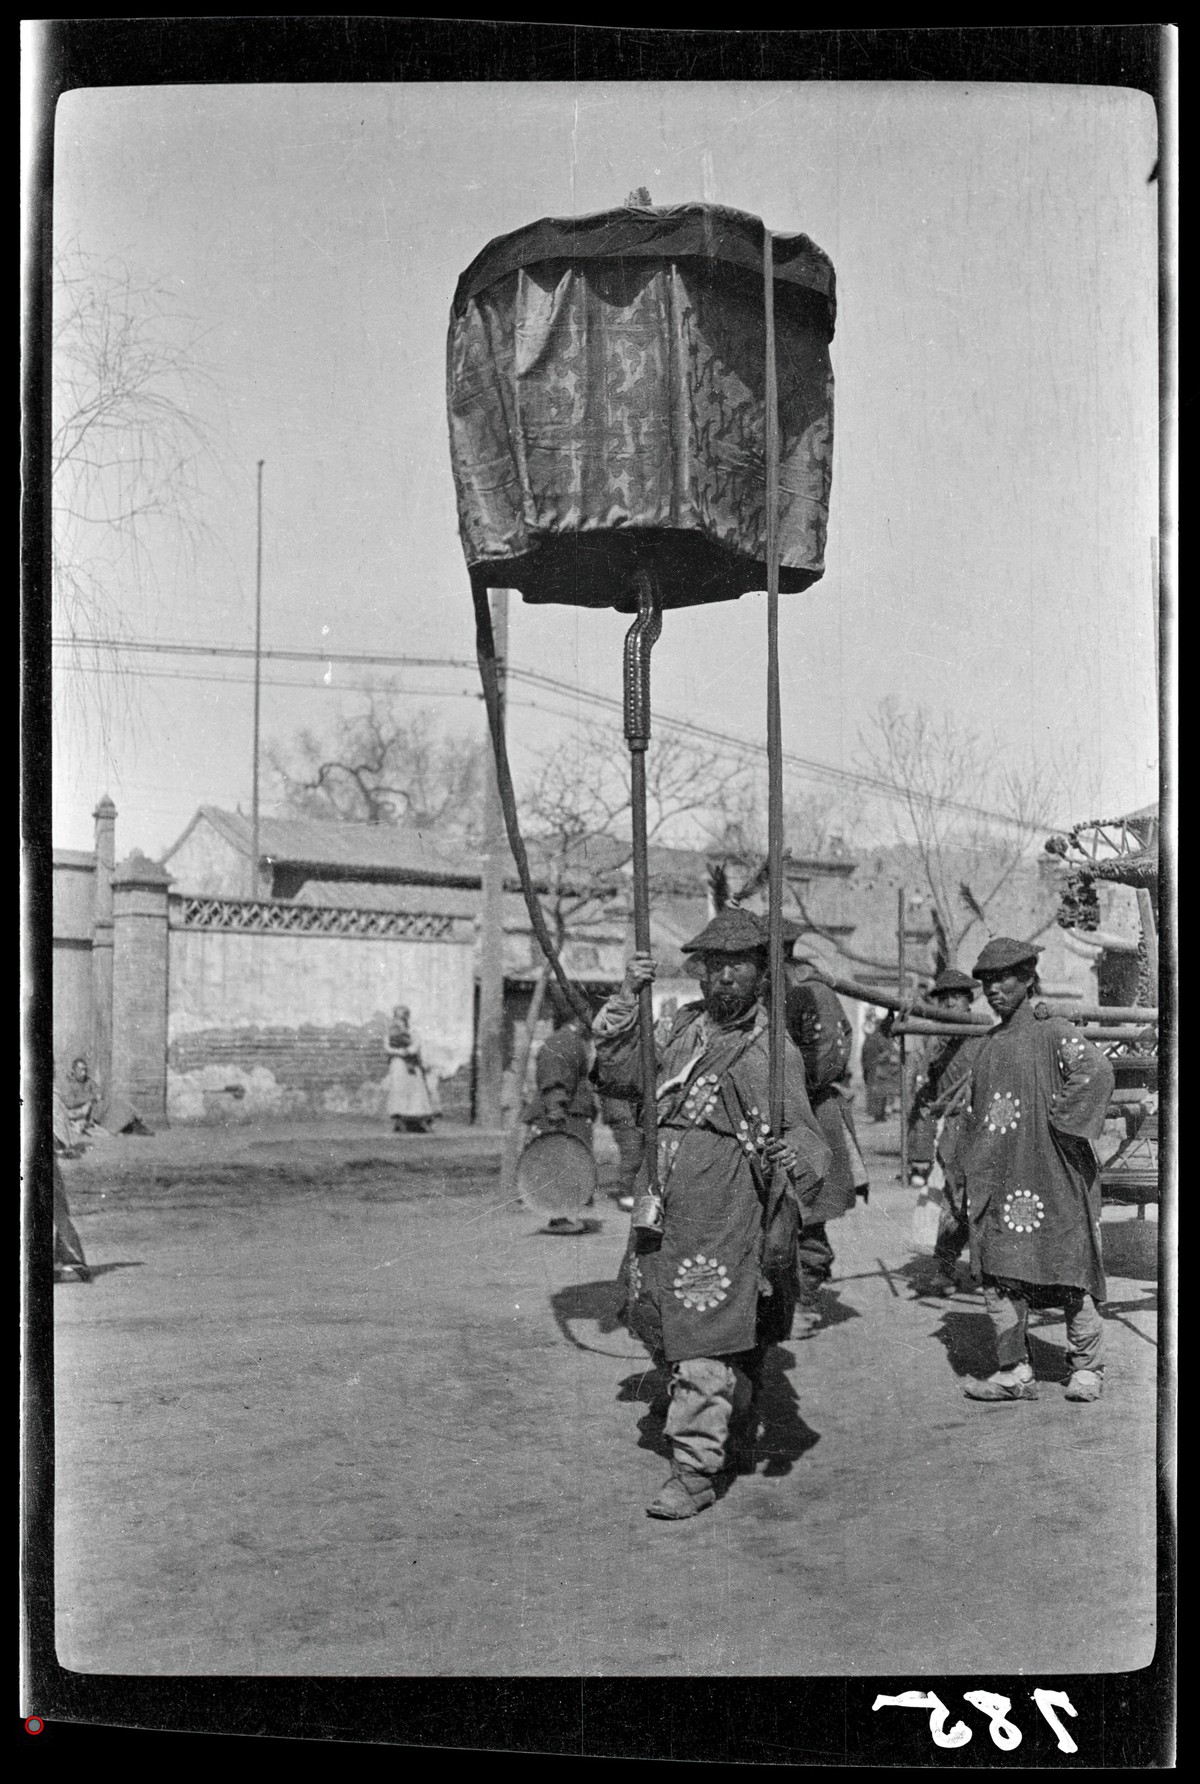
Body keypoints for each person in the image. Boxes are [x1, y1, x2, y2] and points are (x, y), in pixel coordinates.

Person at [592, 908, 831, 1519]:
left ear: (761, 975)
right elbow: (620, 1076)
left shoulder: (770, 1050)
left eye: (739, 967)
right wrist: (627, 997)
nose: (723, 979)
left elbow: (806, 1136)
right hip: (664, 1200)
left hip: (725, 1205)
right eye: (713, 966)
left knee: (705, 1327)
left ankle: (695, 1469)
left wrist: (791, 1154)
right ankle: (731, 1406)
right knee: (662, 1316)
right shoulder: (682, 1029)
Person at [958, 938, 1114, 1404]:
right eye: (987, 982)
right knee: (999, 1271)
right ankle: (1014, 1371)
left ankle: (1087, 1369)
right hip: (1000, 1178)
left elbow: (1097, 1072)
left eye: (1005, 978)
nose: (994, 989)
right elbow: (975, 1116)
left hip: (1054, 1172)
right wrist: (966, 1168)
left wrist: (1059, 1122)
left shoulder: (1054, 1032)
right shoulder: (986, 1047)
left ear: (1028, 979)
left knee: (1069, 1268)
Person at [779, 922, 869, 1318]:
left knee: (808, 1215)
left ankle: (805, 1298)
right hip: (761, 1116)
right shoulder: (759, 993)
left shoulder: (811, 991)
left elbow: (826, 1059)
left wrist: (782, 1083)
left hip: (810, 1113)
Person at [906, 968, 986, 1295]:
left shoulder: (983, 1032)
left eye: (957, 997)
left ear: (968, 1000)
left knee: (985, 1197)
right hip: (954, 1127)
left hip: (985, 1123)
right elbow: (923, 1092)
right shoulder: (936, 1040)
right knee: (953, 1198)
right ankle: (945, 1266)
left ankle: (986, 1271)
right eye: (944, 997)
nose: (951, 1002)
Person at [522, 999, 598, 1235]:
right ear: (577, 1017)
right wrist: (556, 1117)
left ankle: (563, 1216)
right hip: (562, 1117)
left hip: (571, 1115)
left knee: (568, 1168)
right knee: (559, 1169)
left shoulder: (573, 1041)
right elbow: (555, 1081)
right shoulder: (563, 1042)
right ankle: (560, 1218)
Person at [56, 1055, 151, 1140]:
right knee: (108, 1110)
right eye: (81, 1070)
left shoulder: (88, 1081)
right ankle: (128, 1126)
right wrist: (90, 1097)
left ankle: (134, 1122)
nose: (84, 1073)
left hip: (96, 1108)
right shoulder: (68, 1084)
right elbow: (69, 1102)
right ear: (74, 1070)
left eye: (85, 1070)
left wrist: (97, 1094)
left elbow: (98, 1091)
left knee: (115, 1101)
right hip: (83, 1113)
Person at [385, 1006, 435, 1134]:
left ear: (407, 1018)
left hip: (412, 1064)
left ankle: (418, 1118)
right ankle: (400, 1119)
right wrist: (401, 1052)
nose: (400, 1020)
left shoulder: (412, 1031)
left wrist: (409, 1051)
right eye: (397, 1017)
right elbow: (387, 1048)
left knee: (416, 1089)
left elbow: (416, 1045)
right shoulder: (391, 1032)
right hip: (398, 1064)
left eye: (403, 1017)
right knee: (398, 1089)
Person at [861, 1018, 901, 1121]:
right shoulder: (881, 1038)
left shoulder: (875, 1038)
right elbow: (887, 1053)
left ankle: (877, 1114)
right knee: (877, 1092)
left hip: (874, 1068)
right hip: (876, 1068)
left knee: (877, 1092)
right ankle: (877, 1114)